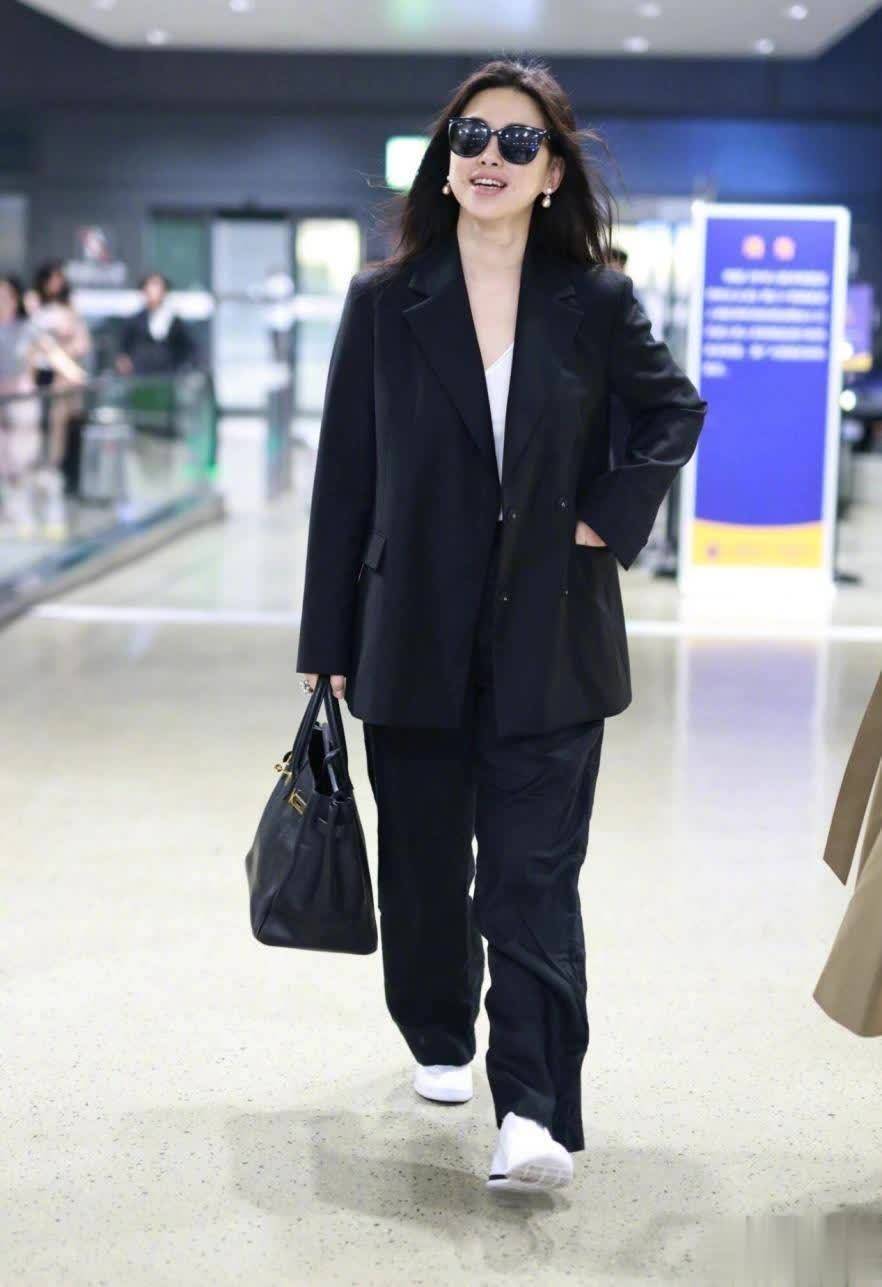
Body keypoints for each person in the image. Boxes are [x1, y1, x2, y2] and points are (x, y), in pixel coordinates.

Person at [296, 55, 708, 1193]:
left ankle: (534, 1110)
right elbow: (345, 478)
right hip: (409, 631)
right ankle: (439, 1030)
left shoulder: (594, 301)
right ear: (446, 161)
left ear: (552, 172)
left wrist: (607, 516)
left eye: (519, 142)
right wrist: (327, 644)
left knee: (531, 882)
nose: (490, 156)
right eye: (471, 137)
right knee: (426, 873)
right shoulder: (386, 301)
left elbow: (672, 411)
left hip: (554, 641)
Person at [29, 260, 92, 524]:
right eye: (50, 278)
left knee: (62, 425)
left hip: (63, 377)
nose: (55, 283)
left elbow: (82, 343)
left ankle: (57, 472)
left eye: (59, 278)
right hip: (37, 375)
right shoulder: (33, 304)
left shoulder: (71, 307)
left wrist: (65, 354)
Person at [115, 272, 197, 376]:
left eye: (157, 286)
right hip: (140, 375)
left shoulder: (174, 321)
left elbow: (188, 348)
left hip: (167, 375)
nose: (153, 291)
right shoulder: (135, 321)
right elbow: (124, 348)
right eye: (149, 286)